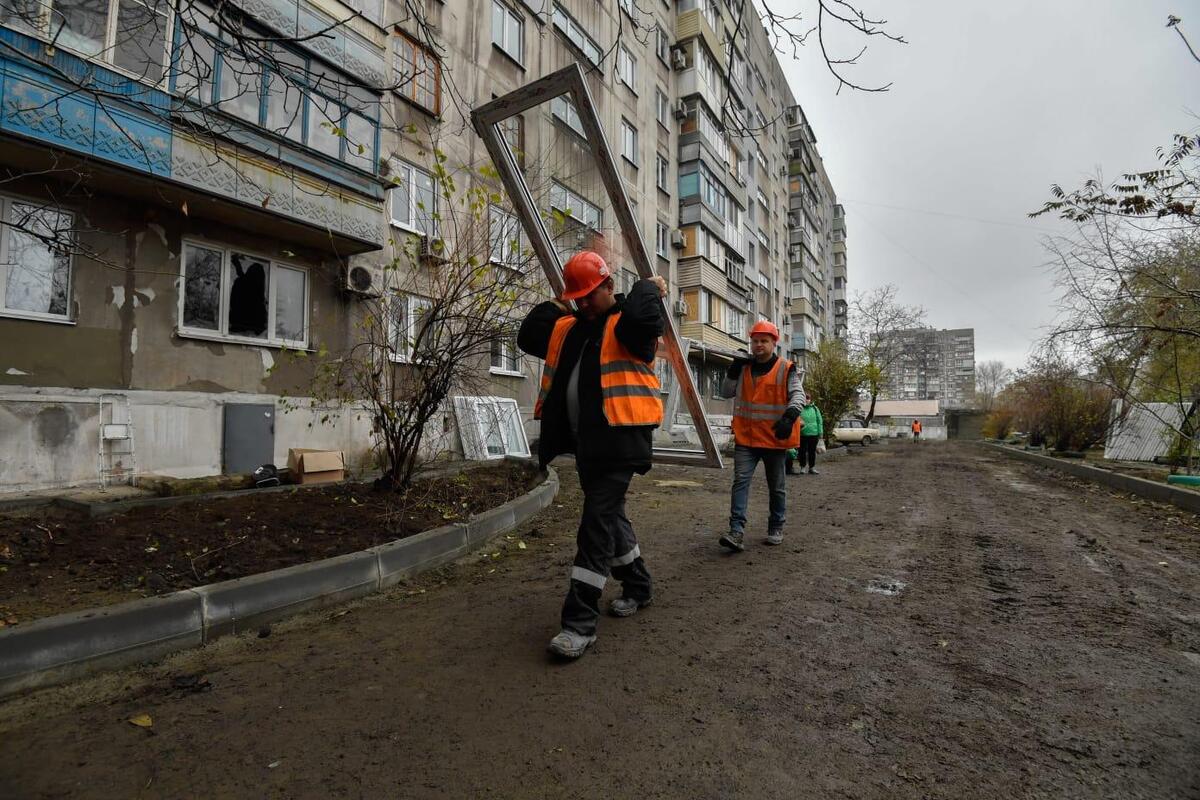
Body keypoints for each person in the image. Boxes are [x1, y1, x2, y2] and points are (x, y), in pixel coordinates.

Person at [517, 250, 667, 660]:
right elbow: (527, 334)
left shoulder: (628, 326)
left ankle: (578, 624)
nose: (584, 303)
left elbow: (644, 318)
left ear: (609, 286)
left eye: (590, 295)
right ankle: (638, 586)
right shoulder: (571, 328)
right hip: (588, 446)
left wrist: (646, 287)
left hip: (620, 445)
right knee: (611, 518)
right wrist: (564, 298)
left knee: (595, 525)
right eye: (578, 297)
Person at [717, 320, 805, 551]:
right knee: (740, 482)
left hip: (774, 440)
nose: (758, 345)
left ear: (774, 343)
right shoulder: (744, 366)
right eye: (755, 341)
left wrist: (790, 416)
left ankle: (776, 526)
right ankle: (736, 531)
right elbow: (725, 392)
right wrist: (733, 368)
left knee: (776, 486)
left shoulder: (786, 368)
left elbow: (798, 395)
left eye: (764, 341)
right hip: (747, 438)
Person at [797, 399, 824, 474]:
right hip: (802, 434)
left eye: (808, 398)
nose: (806, 400)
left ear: (810, 400)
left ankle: (812, 468)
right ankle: (802, 467)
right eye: (805, 398)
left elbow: (819, 421)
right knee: (802, 451)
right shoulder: (799, 408)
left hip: (814, 433)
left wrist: (820, 432)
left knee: (812, 452)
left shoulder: (815, 409)